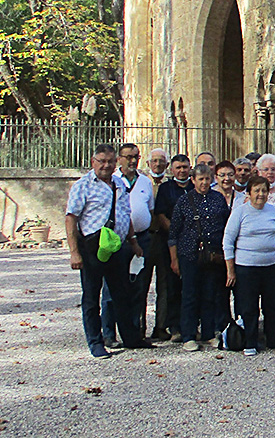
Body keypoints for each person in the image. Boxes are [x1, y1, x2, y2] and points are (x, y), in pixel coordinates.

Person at [65, 144, 150, 358]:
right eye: (101, 161)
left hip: (117, 247)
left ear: (116, 162)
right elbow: (71, 218)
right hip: (92, 247)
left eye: (110, 161)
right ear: (93, 162)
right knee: (92, 296)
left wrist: (133, 242)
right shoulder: (83, 186)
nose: (106, 165)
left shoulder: (119, 184)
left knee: (122, 295)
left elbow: (125, 214)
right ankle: (96, 342)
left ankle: (130, 338)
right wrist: (74, 252)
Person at [169, 163, 232, 351]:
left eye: (207, 179)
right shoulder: (184, 201)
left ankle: (209, 333)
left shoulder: (218, 199)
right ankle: (188, 335)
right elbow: (173, 232)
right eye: (200, 179)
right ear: (193, 180)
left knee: (210, 295)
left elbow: (227, 225)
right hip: (189, 255)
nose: (204, 182)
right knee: (190, 295)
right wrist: (174, 259)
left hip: (213, 255)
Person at [223, 175, 275, 355]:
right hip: (246, 267)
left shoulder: (273, 211)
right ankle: (250, 342)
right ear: (249, 193)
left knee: (272, 305)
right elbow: (228, 241)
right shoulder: (240, 212)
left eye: (264, 191)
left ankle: (273, 339)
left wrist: (271, 254)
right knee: (249, 306)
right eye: (257, 190)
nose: (261, 194)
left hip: (271, 266)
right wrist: (230, 270)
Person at [101, 143, 155, 347]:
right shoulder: (111, 180)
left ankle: (134, 334)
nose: (133, 161)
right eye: (128, 157)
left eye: (136, 157)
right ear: (119, 159)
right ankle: (109, 333)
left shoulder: (145, 182)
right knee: (111, 288)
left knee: (139, 287)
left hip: (141, 239)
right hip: (117, 240)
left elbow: (150, 210)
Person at [151, 153, 192, 341]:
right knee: (171, 285)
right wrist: (177, 231)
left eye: (185, 167)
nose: (182, 171)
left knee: (190, 286)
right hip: (170, 243)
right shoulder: (166, 189)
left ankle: (190, 325)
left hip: (192, 244)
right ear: (172, 169)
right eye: (178, 168)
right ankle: (173, 326)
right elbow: (160, 214)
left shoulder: (195, 187)